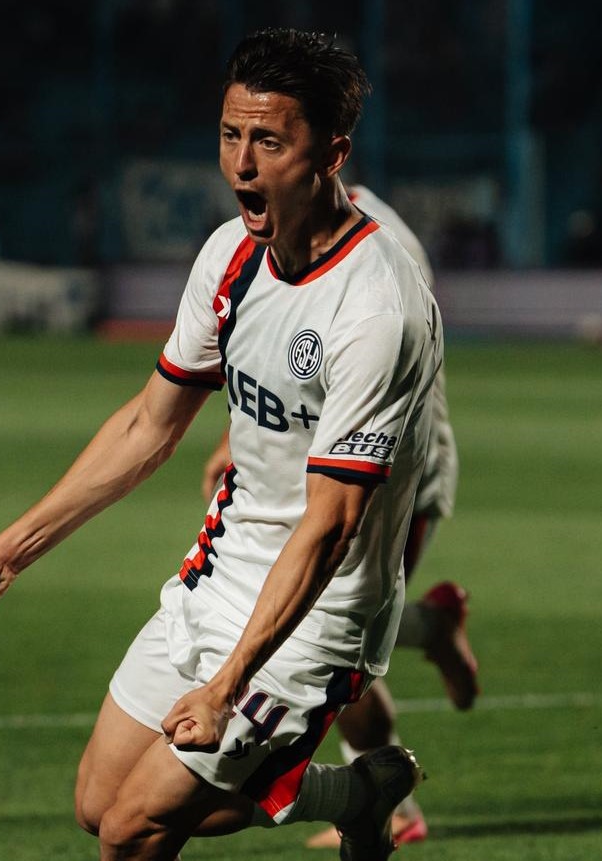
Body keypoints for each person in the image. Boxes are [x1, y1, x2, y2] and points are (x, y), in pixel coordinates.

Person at [0, 29, 442, 861]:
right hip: (221, 574)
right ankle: (359, 791)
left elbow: (330, 525)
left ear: (332, 152)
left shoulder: (375, 307)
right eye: (230, 135)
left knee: (137, 828)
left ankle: (328, 774)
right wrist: (9, 550)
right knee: (100, 803)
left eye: (270, 141)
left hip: (318, 612)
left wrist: (227, 684)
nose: (241, 164)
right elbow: (149, 425)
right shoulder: (228, 257)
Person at [199, 185, 479, 849]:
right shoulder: (280, 233)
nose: (248, 165)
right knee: (316, 626)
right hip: (316, 479)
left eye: (270, 139)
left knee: (329, 646)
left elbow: (374, 375)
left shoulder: (381, 242)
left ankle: (388, 802)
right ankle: (432, 628)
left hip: (390, 484)